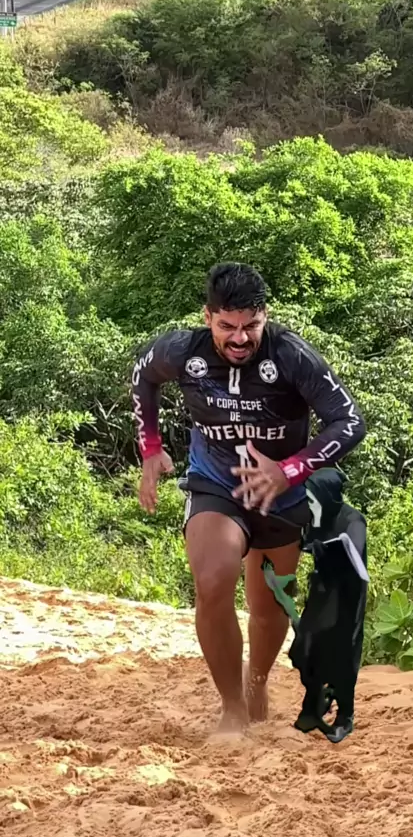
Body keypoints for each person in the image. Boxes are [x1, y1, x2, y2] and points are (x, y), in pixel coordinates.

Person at [131, 262, 366, 733]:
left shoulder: (292, 355)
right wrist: (150, 447)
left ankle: (257, 681)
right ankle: (232, 708)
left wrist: (290, 469)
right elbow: (143, 373)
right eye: (227, 327)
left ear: (265, 317)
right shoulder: (182, 350)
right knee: (212, 581)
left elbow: (350, 422)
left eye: (250, 327)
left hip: (281, 493)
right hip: (215, 482)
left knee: (268, 606)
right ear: (208, 318)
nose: (239, 339)